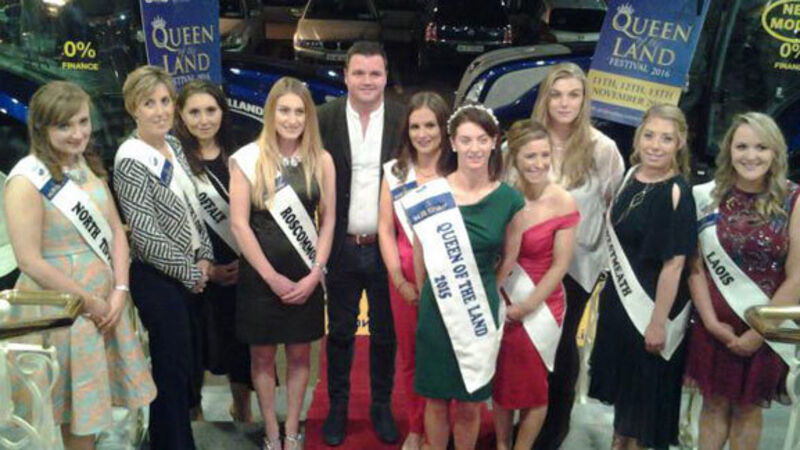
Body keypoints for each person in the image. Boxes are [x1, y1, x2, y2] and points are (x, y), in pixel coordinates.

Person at [4, 81, 155, 449]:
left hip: (105, 303)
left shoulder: (86, 165)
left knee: (94, 411)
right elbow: (30, 260)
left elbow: (117, 232)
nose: (78, 133)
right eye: (64, 125)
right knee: (76, 415)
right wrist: (89, 302)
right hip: (61, 308)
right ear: (41, 127)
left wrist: (120, 290)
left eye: (83, 122)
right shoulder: (27, 180)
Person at [409, 104, 525, 450]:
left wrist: (489, 287)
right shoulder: (431, 195)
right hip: (437, 306)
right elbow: (419, 253)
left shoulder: (510, 200)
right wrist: (427, 292)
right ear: (453, 143)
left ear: (494, 142)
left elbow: (510, 256)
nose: (475, 148)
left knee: (470, 401)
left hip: (479, 309)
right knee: (435, 398)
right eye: (466, 140)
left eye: (482, 139)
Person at [229, 76, 336, 450]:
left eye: (299, 112)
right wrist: (271, 276)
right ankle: (271, 431)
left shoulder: (321, 160)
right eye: (284, 111)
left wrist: (316, 273)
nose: (291, 119)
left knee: (300, 354)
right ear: (271, 113)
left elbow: (329, 220)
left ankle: (291, 430)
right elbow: (239, 224)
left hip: (305, 276)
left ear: (309, 117)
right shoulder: (248, 159)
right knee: (261, 356)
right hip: (261, 279)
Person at [685, 112, 800, 450]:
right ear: (729, 151)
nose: (751, 156)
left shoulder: (793, 199)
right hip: (714, 324)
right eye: (742, 146)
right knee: (713, 403)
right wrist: (710, 322)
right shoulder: (706, 196)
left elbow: (797, 275)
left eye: (761, 147)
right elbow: (695, 266)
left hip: (765, 326)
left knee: (748, 408)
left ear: (775, 152)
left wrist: (758, 332)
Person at [114, 65, 214, 450]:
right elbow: (145, 233)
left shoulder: (172, 144)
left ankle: (172, 438)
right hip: (155, 277)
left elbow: (193, 207)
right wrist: (190, 272)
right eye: (149, 103)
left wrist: (204, 257)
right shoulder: (130, 158)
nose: (160, 111)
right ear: (133, 108)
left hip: (187, 272)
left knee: (185, 365)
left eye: (165, 101)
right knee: (171, 368)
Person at [588, 104, 697, 450]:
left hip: (650, 307)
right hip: (619, 304)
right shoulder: (630, 176)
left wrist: (658, 323)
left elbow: (674, 265)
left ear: (679, 143)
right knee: (624, 396)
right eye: (649, 135)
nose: (655, 145)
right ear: (638, 137)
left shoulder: (677, 191)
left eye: (666, 138)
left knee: (643, 402)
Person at [529, 62, 624, 450]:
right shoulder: (522, 142)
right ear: (545, 98)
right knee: (527, 347)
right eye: (556, 94)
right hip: (527, 266)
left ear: (584, 100)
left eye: (573, 95)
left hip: (576, 268)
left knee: (562, 344)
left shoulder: (603, 149)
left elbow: (613, 204)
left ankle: (554, 428)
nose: (564, 103)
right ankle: (525, 421)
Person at [316, 41, 405, 446]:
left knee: (386, 334)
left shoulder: (404, 119)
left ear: (386, 76)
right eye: (359, 73)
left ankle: (381, 406)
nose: (367, 81)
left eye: (375, 73)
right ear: (346, 76)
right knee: (339, 333)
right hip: (341, 246)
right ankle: (337, 407)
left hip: (389, 248)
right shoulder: (324, 118)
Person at [494, 119, 579, 450]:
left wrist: (527, 306)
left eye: (545, 155)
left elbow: (560, 265)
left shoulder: (563, 201)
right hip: (504, 300)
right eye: (530, 156)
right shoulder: (504, 197)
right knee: (502, 384)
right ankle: (502, 445)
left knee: (534, 388)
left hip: (541, 306)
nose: (539, 164)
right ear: (515, 157)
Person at [174, 79, 252, 423]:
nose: (203, 120)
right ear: (181, 115)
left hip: (239, 269)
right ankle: (195, 416)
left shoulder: (241, 155)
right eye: (194, 112)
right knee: (193, 348)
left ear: (223, 111)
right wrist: (206, 268)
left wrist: (247, 262)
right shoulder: (173, 161)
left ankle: (243, 410)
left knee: (241, 345)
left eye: (210, 110)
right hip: (194, 273)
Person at [377, 91, 450, 450]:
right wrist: (398, 279)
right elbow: (385, 229)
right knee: (410, 358)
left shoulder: (458, 171)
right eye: (415, 126)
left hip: (450, 279)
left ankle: (444, 428)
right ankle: (417, 428)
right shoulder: (396, 173)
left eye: (430, 125)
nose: (423, 134)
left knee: (446, 358)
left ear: (444, 127)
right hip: (405, 280)